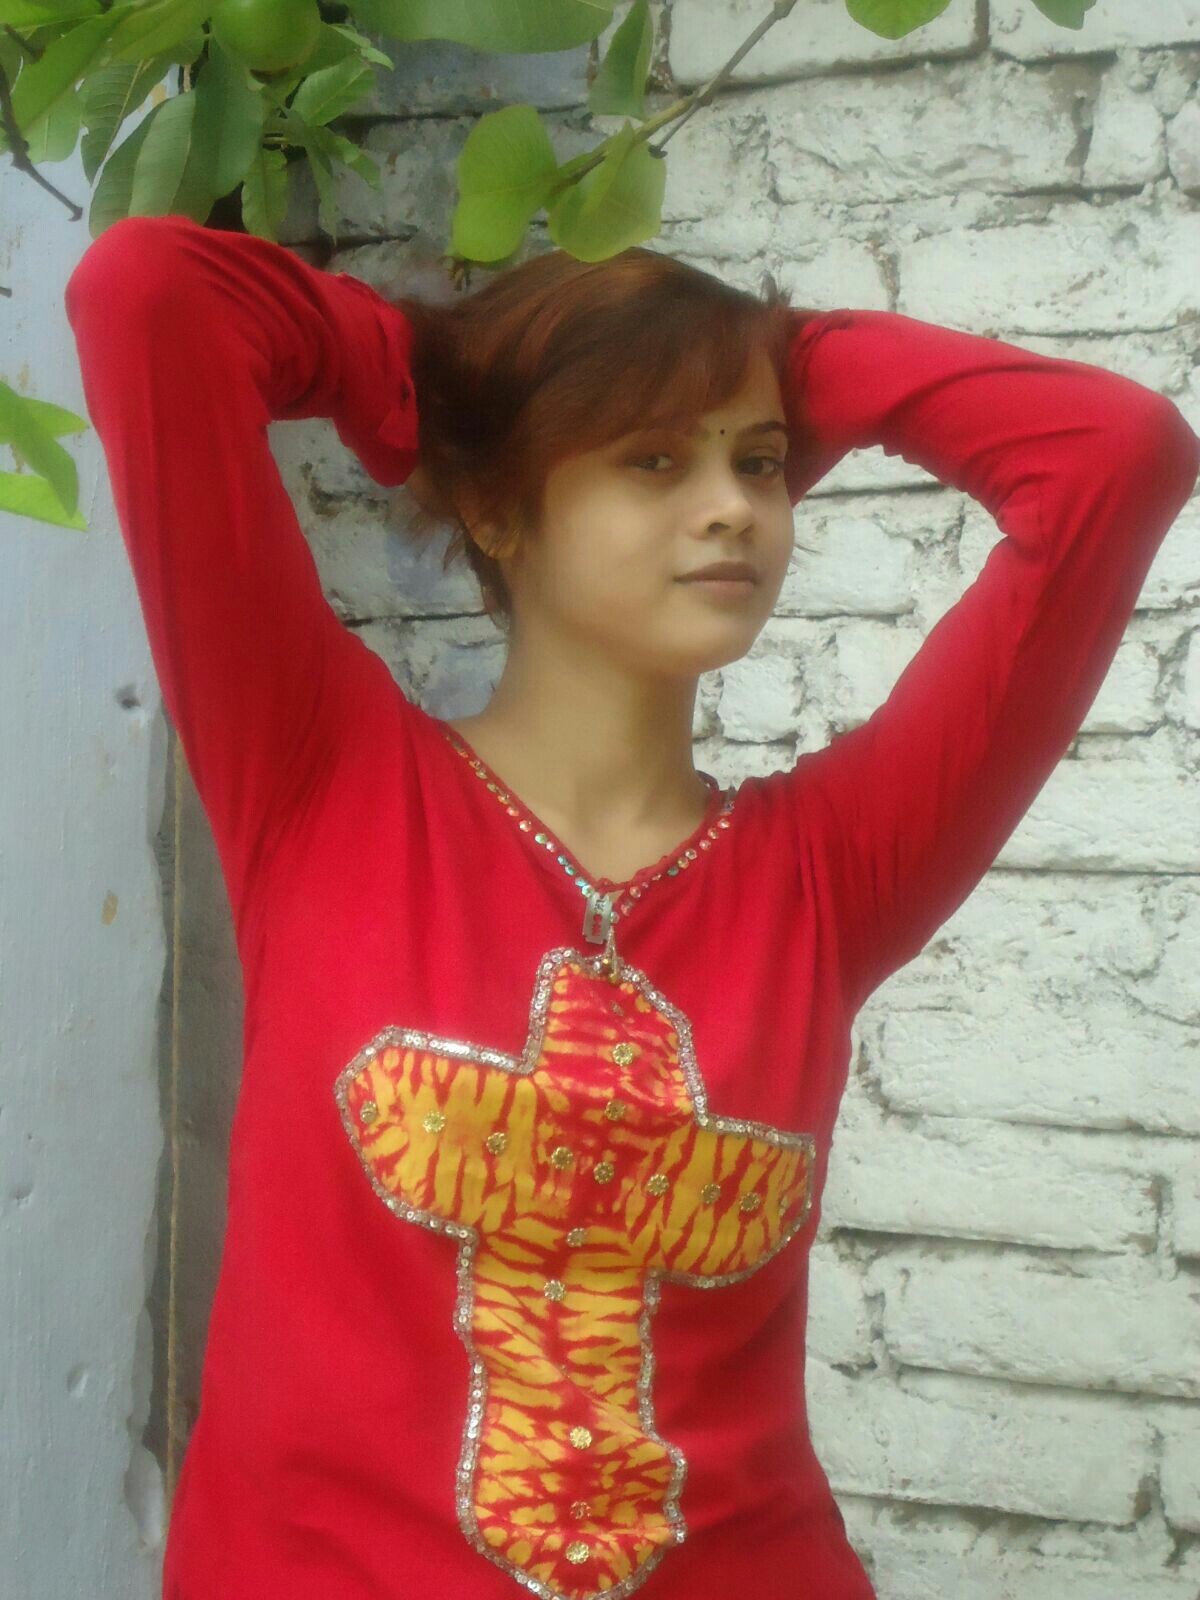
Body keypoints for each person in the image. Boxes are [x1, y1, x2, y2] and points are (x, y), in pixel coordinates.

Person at [64, 211, 1199, 1600]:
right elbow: (149, 295)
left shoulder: (831, 873)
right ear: (499, 511)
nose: (732, 508)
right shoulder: (316, 776)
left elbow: (1116, 456)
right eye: (653, 458)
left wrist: (786, 355)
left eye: (759, 461)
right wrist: (431, 372)